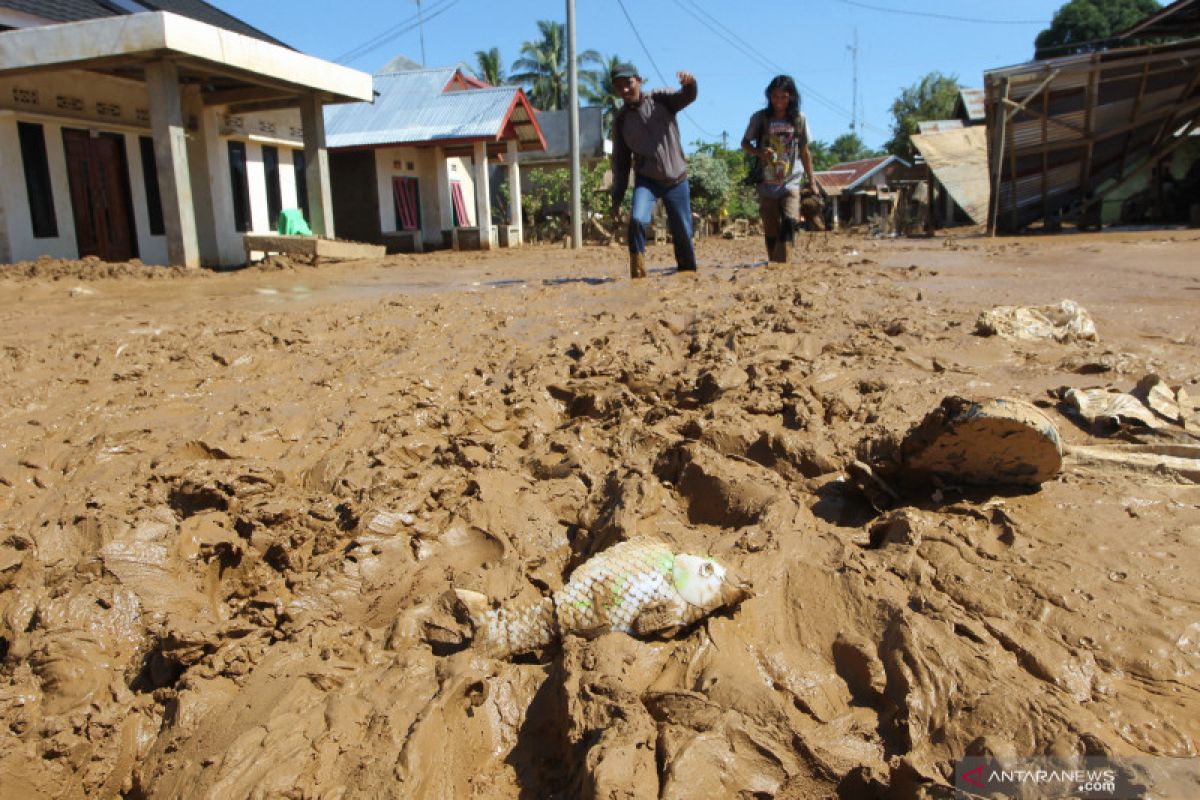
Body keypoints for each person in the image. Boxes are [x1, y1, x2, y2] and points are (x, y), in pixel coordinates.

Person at [609, 63, 698, 279]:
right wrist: (616, 199)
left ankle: (687, 274)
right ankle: (637, 270)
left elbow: (685, 97)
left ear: (639, 80)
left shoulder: (660, 99)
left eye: (628, 83)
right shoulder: (621, 121)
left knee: (683, 233)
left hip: (676, 178)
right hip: (646, 180)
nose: (625, 90)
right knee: (638, 220)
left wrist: (690, 84)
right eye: (619, 87)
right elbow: (621, 163)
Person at [741, 75, 819, 263]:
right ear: (769, 96)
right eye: (775, 97)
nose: (779, 102)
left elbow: (805, 152)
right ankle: (776, 266)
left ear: (791, 97)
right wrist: (760, 152)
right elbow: (744, 143)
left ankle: (784, 263)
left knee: (790, 222)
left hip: (791, 179)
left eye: (783, 97)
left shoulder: (799, 120)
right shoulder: (760, 118)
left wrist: (812, 181)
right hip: (766, 181)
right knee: (771, 229)